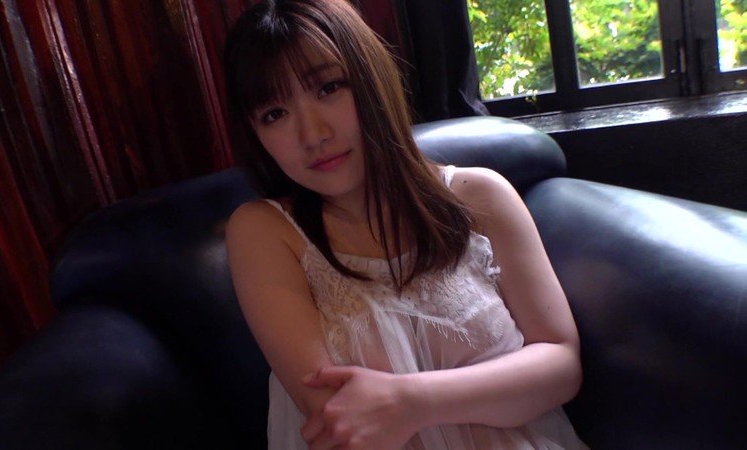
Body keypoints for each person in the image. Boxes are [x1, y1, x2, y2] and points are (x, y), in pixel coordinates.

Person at [223, 0, 588, 448]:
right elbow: (338, 416)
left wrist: (414, 401)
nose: (312, 134)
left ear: (372, 78)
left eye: (329, 88)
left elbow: (560, 364)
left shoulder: (482, 196)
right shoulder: (264, 232)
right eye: (274, 114)